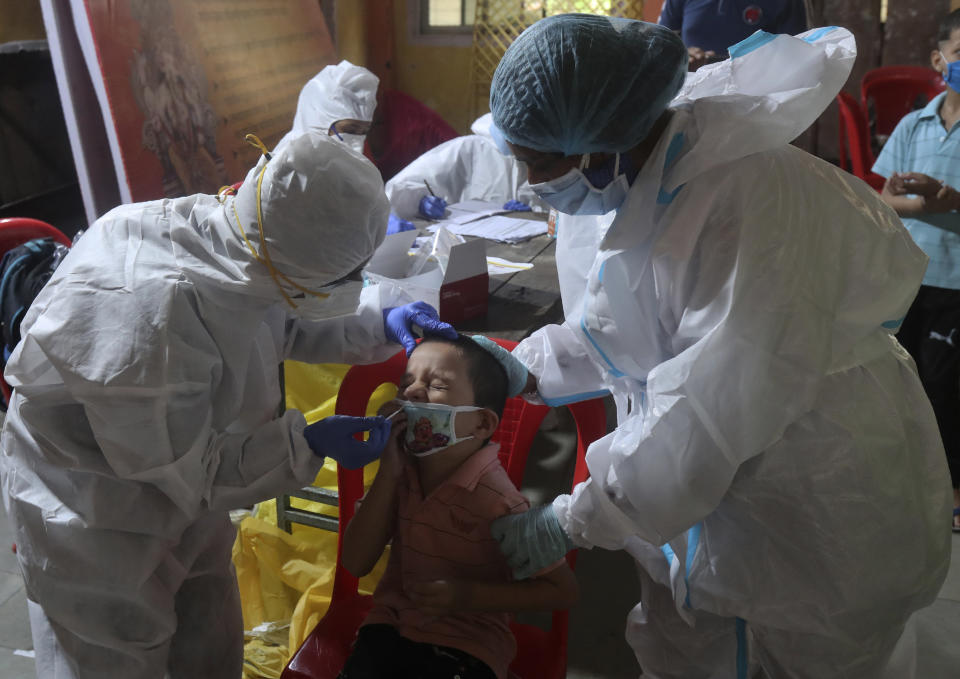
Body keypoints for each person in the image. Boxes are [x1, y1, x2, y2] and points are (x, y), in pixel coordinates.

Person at [487, 14, 951, 679]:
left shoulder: (742, 197)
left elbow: (704, 412)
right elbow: (629, 331)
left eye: (539, 162)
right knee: (689, 639)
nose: (530, 181)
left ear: (598, 143)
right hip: (726, 481)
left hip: (812, 491)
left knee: (802, 655)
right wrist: (517, 366)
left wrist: (574, 517)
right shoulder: (649, 174)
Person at [0, 131, 456, 679]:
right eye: (345, 276)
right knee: (113, 656)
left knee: (208, 637)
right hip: (93, 512)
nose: (355, 284)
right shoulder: (155, 316)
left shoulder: (245, 240)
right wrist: (304, 445)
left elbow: (275, 315)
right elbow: (194, 470)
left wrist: (377, 321)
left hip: (172, 488)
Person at [338, 334, 579, 679]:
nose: (412, 393)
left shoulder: (500, 502)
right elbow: (355, 562)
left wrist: (466, 595)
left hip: (467, 643)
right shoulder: (400, 471)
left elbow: (563, 590)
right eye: (405, 384)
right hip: (387, 627)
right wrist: (388, 473)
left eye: (436, 385)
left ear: (481, 423)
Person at [873, 9, 960, 533]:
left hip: (955, 282)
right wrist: (920, 200)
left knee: (948, 389)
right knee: (904, 382)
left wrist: (947, 196)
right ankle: (901, 482)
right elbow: (883, 196)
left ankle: (950, 489)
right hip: (908, 280)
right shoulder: (914, 123)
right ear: (939, 60)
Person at [384, 113, 545, 221]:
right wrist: (415, 202)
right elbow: (397, 190)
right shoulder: (468, 149)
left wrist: (537, 213)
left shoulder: (550, 154)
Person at [659, 0, 808, 70]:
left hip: (753, 102)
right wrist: (683, 56)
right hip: (689, 96)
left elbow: (795, 58)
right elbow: (659, 45)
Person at [274, 59, 380, 155]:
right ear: (317, 122)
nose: (358, 147)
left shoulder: (332, 156)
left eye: (363, 133)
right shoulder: (286, 169)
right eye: (349, 130)